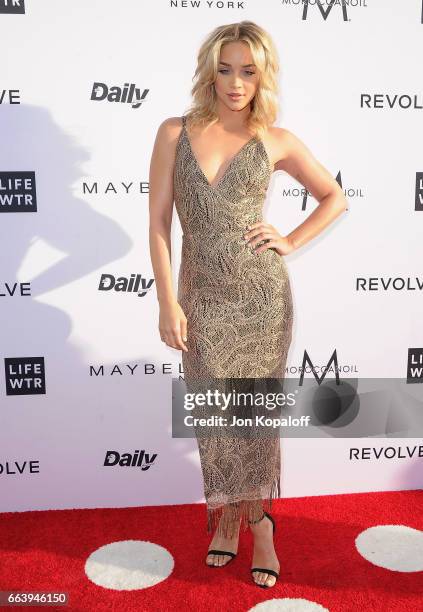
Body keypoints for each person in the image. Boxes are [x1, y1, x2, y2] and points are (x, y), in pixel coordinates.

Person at [148, 20, 348, 588]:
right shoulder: (172, 132)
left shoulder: (274, 139)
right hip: (201, 301)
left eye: (249, 71)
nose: (237, 83)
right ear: (210, 70)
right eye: (227, 68)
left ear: (263, 77)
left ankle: (256, 522)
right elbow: (159, 223)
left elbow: (334, 197)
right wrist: (167, 302)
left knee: (253, 421)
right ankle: (227, 515)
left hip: (261, 300)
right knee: (215, 417)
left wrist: (290, 240)